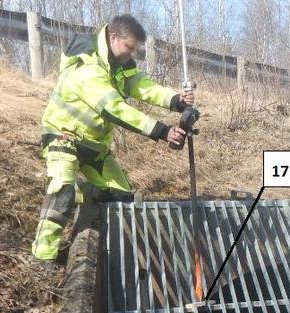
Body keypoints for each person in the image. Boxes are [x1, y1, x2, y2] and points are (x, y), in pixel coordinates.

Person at [31, 14, 195, 264]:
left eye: (134, 50)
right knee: (62, 189)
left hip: (95, 145)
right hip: (63, 137)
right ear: (113, 38)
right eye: (129, 48)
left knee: (121, 197)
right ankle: (42, 258)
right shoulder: (86, 66)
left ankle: (89, 208)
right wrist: (162, 131)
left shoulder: (119, 64)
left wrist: (176, 100)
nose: (131, 54)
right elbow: (114, 109)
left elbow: (142, 85)